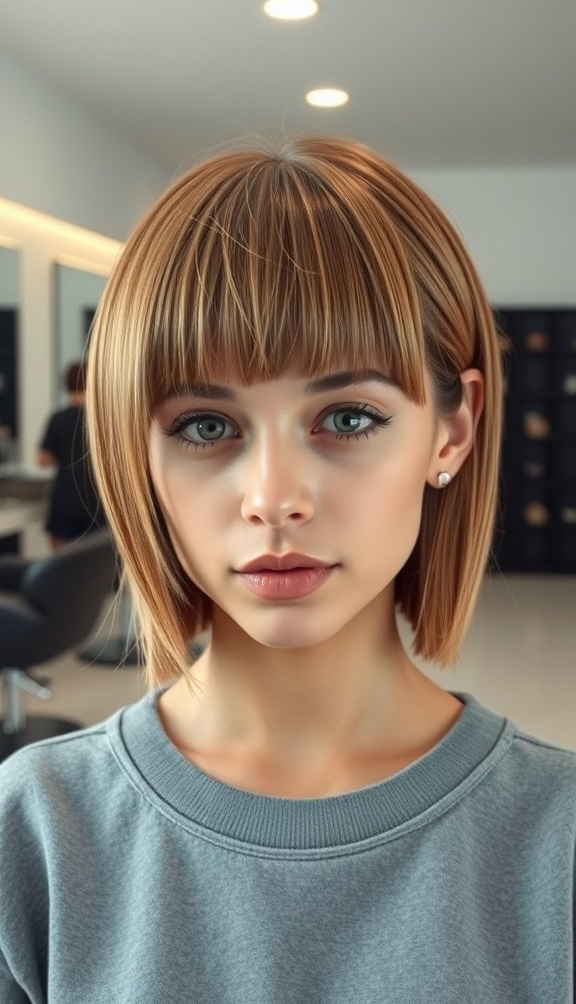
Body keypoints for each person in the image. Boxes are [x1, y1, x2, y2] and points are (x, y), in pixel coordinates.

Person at [1, 136, 574, 1002]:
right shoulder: (34, 830)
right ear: (136, 449)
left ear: (451, 433)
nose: (273, 499)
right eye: (203, 426)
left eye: (346, 418)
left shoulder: (555, 842)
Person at [37, 360, 105, 550]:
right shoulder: (101, 420)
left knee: (59, 567)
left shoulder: (58, 419)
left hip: (65, 500)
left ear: (66, 385)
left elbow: (43, 460)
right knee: (96, 563)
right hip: (96, 500)